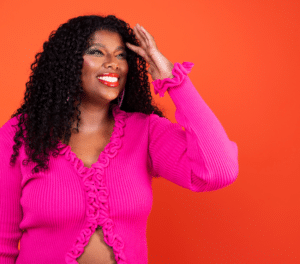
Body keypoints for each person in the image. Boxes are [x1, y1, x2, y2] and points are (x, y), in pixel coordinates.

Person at [0, 15, 239, 264]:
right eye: (97, 52)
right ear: (68, 62)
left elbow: (219, 170)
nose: (113, 63)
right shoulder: (21, 136)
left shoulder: (145, 132)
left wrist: (174, 81)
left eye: (121, 55)